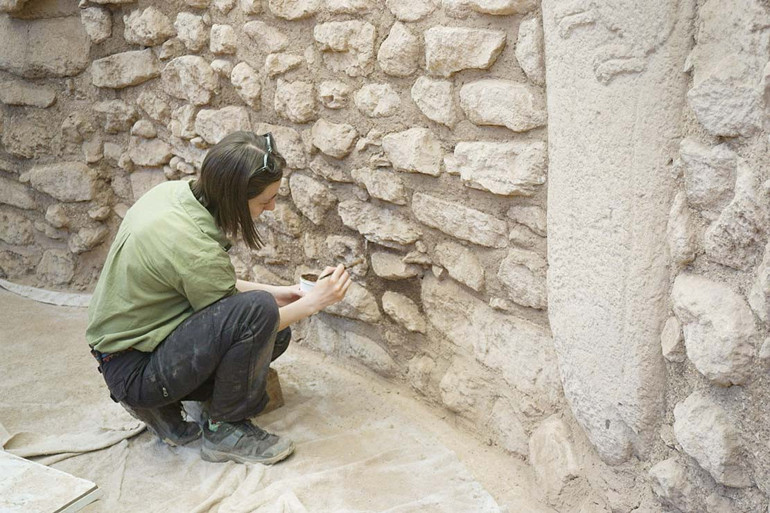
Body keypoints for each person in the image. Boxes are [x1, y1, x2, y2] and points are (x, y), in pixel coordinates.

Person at [86, 131, 352, 465]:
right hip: (137, 372)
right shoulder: (193, 245)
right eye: (264, 201)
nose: (271, 207)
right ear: (235, 198)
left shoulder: (172, 195)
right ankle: (225, 430)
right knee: (265, 321)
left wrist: (285, 294)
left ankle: (163, 406)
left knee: (274, 328)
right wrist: (314, 302)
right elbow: (244, 317)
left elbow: (206, 285)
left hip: (128, 354)